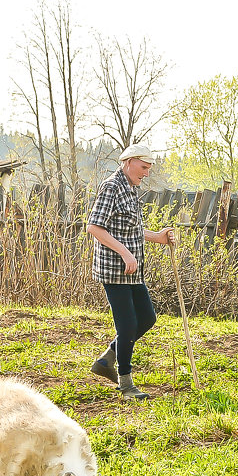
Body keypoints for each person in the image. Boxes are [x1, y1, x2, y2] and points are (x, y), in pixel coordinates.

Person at [85, 144, 176, 400]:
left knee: (147, 318)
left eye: (149, 169)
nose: (147, 173)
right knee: (127, 327)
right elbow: (94, 227)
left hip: (132, 271)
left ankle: (106, 360)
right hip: (115, 269)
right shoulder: (112, 187)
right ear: (129, 162)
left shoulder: (130, 188)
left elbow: (127, 228)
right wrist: (125, 252)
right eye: (144, 167)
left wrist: (157, 237)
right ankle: (125, 384)